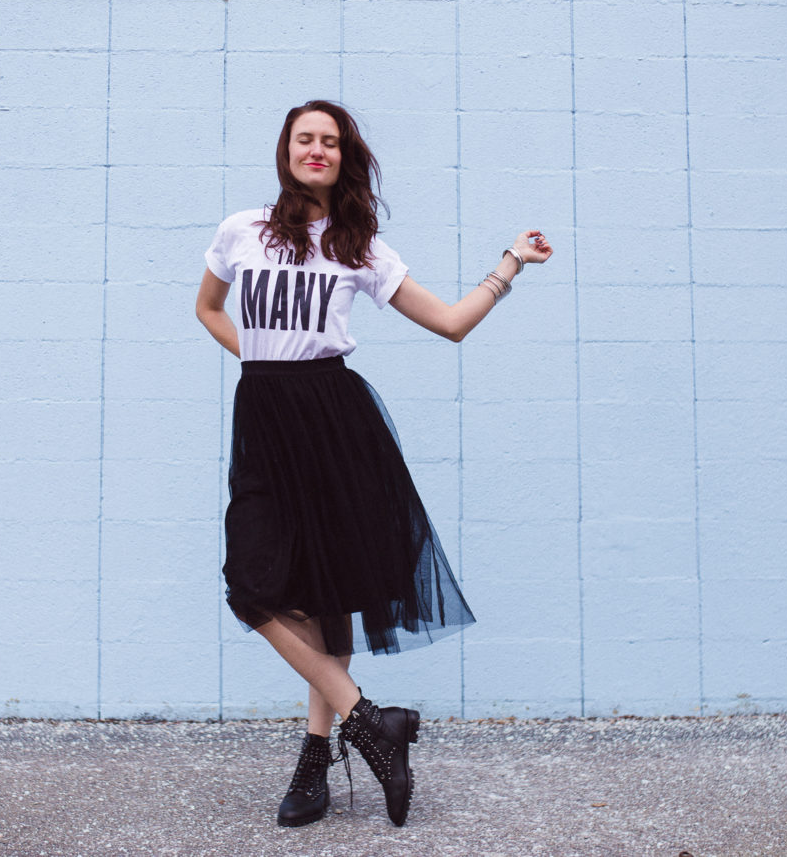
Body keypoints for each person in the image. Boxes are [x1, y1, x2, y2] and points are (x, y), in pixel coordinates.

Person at [195, 100, 553, 828]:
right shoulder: (241, 230)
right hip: (265, 419)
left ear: (342, 157)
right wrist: (265, 363)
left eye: (330, 141)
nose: (317, 150)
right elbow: (208, 309)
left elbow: (451, 323)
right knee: (252, 585)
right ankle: (374, 723)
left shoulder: (358, 244)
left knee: (328, 594)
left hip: (334, 421)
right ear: (286, 150)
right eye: (306, 138)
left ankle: (315, 758)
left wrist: (509, 262)